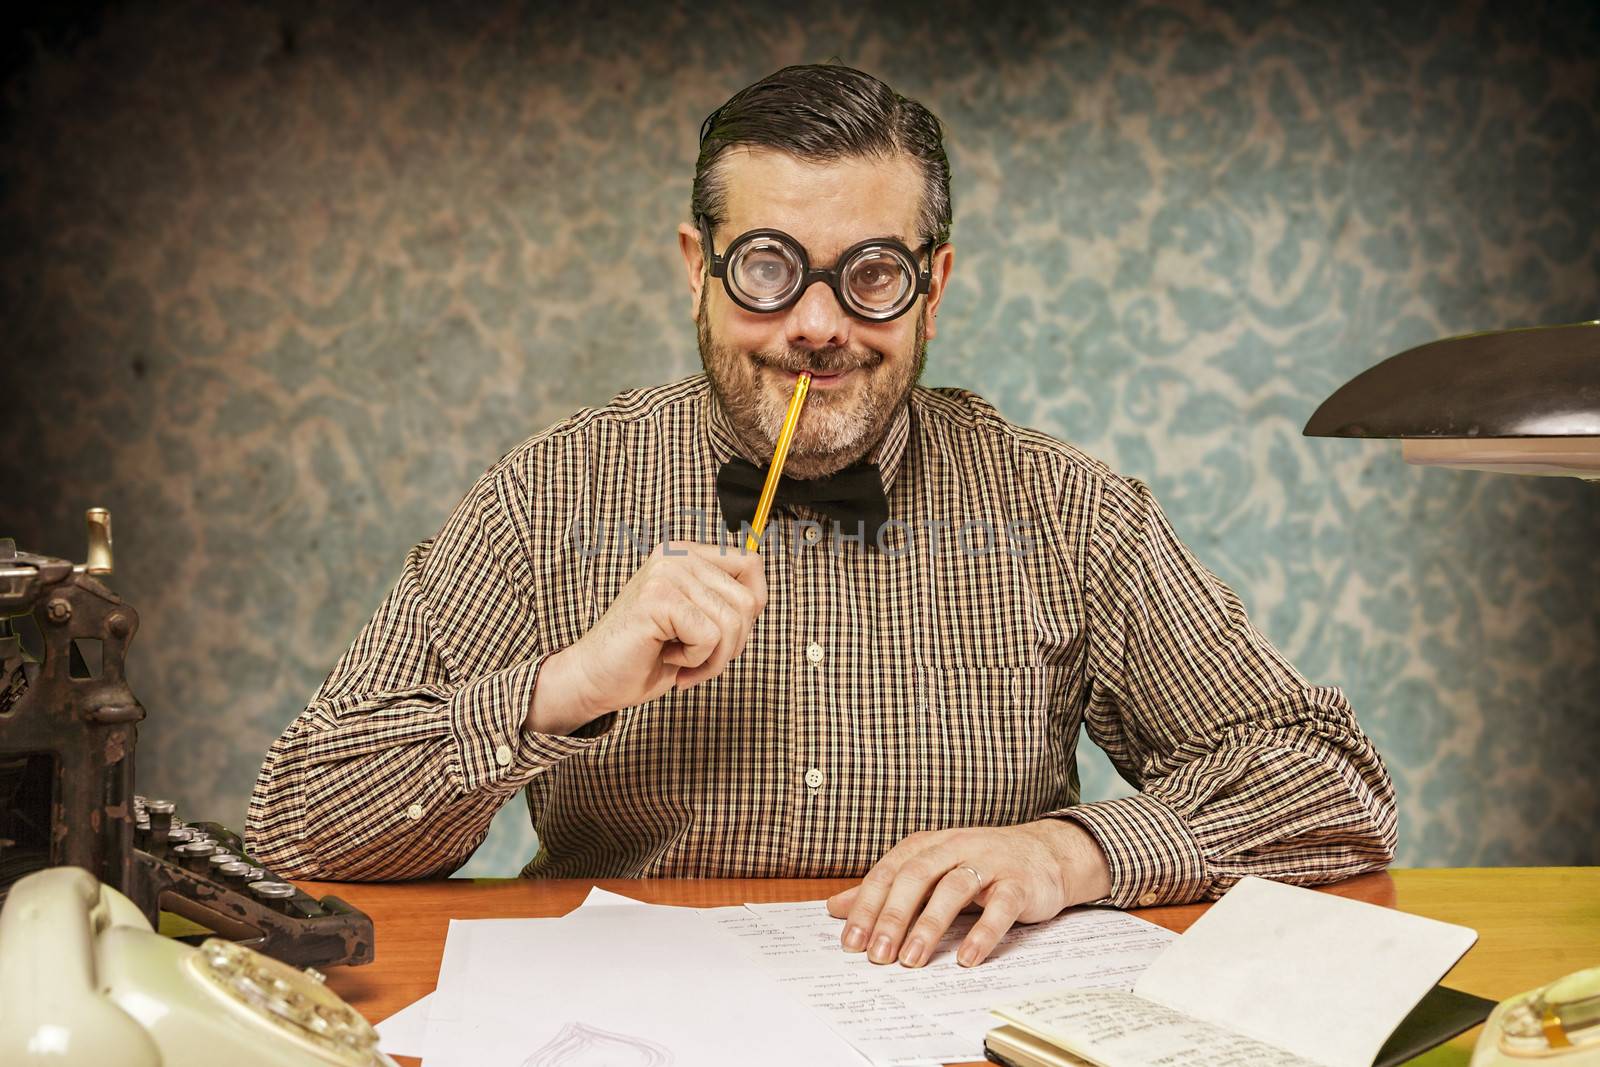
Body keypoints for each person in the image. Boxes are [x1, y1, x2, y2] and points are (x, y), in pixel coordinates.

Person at [246, 63, 1396, 971]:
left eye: (870, 274)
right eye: (765, 267)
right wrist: (569, 687)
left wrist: (1069, 851)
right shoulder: (549, 494)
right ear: (695, 268)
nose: (815, 323)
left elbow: (1329, 781)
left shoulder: (1065, 508)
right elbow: (298, 827)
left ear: (932, 286)